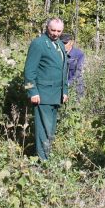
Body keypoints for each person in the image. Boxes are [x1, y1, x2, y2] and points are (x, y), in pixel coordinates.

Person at [23, 18, 69, 160]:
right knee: (44, 129)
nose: (55, 33)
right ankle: (43, 161)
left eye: (59, 31)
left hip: (56, 95)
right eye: (53, 30)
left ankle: (46, 156)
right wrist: (32, 92)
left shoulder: (60, 44)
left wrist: (65, 91)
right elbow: (29, 72)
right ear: (47, 28)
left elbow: (63, 70)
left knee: (51, 129)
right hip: (42, 95)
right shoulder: (38, 44)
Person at [60, 33, 85, 99]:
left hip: (76, 86)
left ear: (71, 42)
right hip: (61, 87)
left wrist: (68, 83)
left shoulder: (79, 54)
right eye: (61, 43)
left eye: (65, 43)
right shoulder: (58, 53)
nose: (63, 45)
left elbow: (79, 71)